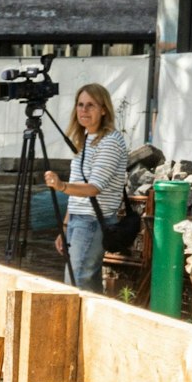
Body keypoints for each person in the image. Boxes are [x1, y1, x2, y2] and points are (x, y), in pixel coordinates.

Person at [44, 84, 129, 293]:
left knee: (76, 284)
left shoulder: (110, 141)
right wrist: (65, 227)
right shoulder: (85, 140)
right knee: (85, 283)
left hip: (92, 222)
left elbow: (93, 188)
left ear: (103, 110)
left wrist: (61, 186)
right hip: (79, 220)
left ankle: (78, 326)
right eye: (80, 105)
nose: (84, 110)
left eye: (91, 105)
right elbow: (77, 192)